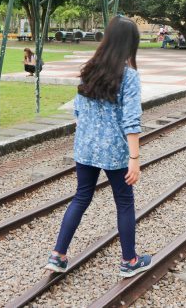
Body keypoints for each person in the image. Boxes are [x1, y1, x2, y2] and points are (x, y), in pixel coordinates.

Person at [45, 16, 152, 277]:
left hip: (85, 147)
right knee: (124, 202)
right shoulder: (129, 76)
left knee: (81, 197)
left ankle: (58, 255)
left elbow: (78, 111)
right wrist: (135, 158)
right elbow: (131, 119)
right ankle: (129, 261)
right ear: (129, 44)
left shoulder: (90, 70)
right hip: (115, 151)